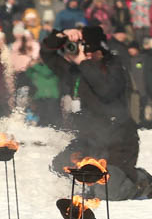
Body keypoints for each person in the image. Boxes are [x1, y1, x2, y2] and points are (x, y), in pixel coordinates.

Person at [41, 25, 152, 198]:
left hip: (119, 143)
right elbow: (47, 54)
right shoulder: (76, 69)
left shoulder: (114, 64)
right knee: (60, 166)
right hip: (88, 140)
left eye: (87, 48)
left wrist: (84, 62)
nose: (84, 52)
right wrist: (61, 36)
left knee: (107, 191)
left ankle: (140, 180)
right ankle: (91, 182)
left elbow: (106, 91)